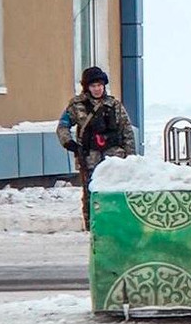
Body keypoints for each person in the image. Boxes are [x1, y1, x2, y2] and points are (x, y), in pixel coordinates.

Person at [57, 66, 137, 229]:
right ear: (87, 87)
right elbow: (62, 126)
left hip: (114, 159)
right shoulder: (77, 105)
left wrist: (131, 158)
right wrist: (69, 143)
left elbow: (127, 131)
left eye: (100, 85)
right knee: (90, 194)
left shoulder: (114, 105)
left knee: (115, 191)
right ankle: (92, 227)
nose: (97, 89)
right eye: (93, 86)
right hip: (89, 158)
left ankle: (115, 225)